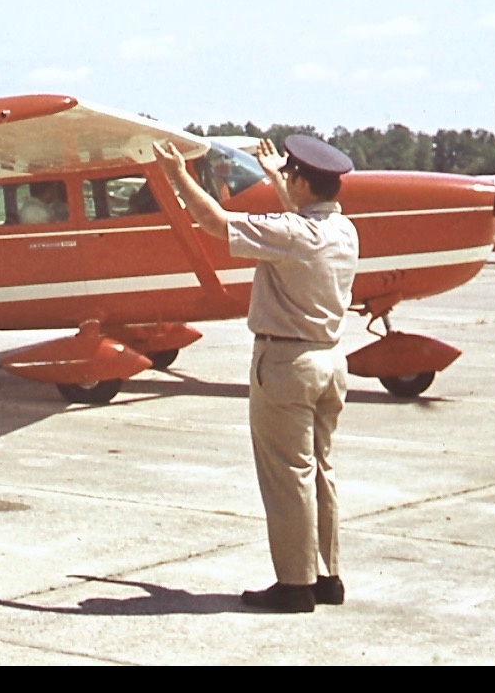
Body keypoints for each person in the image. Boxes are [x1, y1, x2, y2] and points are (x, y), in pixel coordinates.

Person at [154, 134, 359, 614]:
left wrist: (177, 175)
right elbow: (302, 220)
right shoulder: (345, 231)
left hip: (288, 365)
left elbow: (214, 223)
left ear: (304, 181)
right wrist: (275, 178)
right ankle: (327, 578)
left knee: (289, 477)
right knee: (321, 472)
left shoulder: (291, 234)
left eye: (291, 176)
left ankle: (293, 586)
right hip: (331, 361)